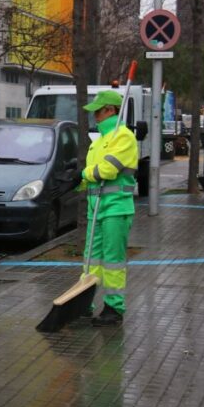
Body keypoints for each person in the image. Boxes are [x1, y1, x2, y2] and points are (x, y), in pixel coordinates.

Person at [80, 90, 138, 327]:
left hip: (116, 208)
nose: (95, 115)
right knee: (91, 260)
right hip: (97, 209)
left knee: (112, 260)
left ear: (111, 110)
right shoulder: (100, 141)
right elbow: (93, 174)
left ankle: (114, 308)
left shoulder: (123, 137)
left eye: (98, 110)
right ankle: (84, 302)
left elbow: (108, 170)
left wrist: (83, 174)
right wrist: (75, 182)